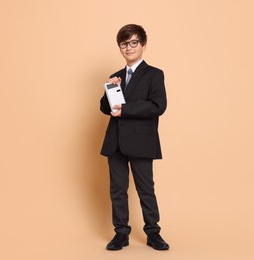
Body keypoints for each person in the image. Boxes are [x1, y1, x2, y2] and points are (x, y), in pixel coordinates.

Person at [100, 24, 169, 251]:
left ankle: (153, 233)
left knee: (145, 188)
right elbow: (104, 108)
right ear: (120, 47)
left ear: (143, 45)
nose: (128, 47)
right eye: (124, 44)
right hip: (116, 141)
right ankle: (121, 233)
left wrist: (125, 109)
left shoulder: (154, 74)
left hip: (141, 141)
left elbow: (158, 106)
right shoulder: (117, 76)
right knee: (117, 190)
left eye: (133, 43)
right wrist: (110, 88)